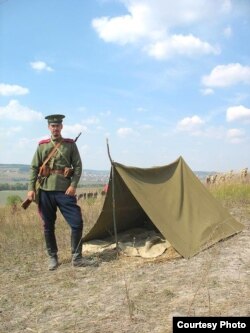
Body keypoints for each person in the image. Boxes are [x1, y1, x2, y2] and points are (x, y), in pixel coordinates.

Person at [27, 114, 95, 270]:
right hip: (45, 191)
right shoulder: (42, 145)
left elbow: (77, 166)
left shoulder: (70, 145)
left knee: (77, 223)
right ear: (49, 127)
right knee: (48, 226)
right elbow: (33, 168)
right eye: (52, 126)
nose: (55, 128)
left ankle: (77, 258)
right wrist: (31, 188)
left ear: (61, 127)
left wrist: (73, 185)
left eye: (57, 126)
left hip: (65, 191)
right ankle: (53, 257)